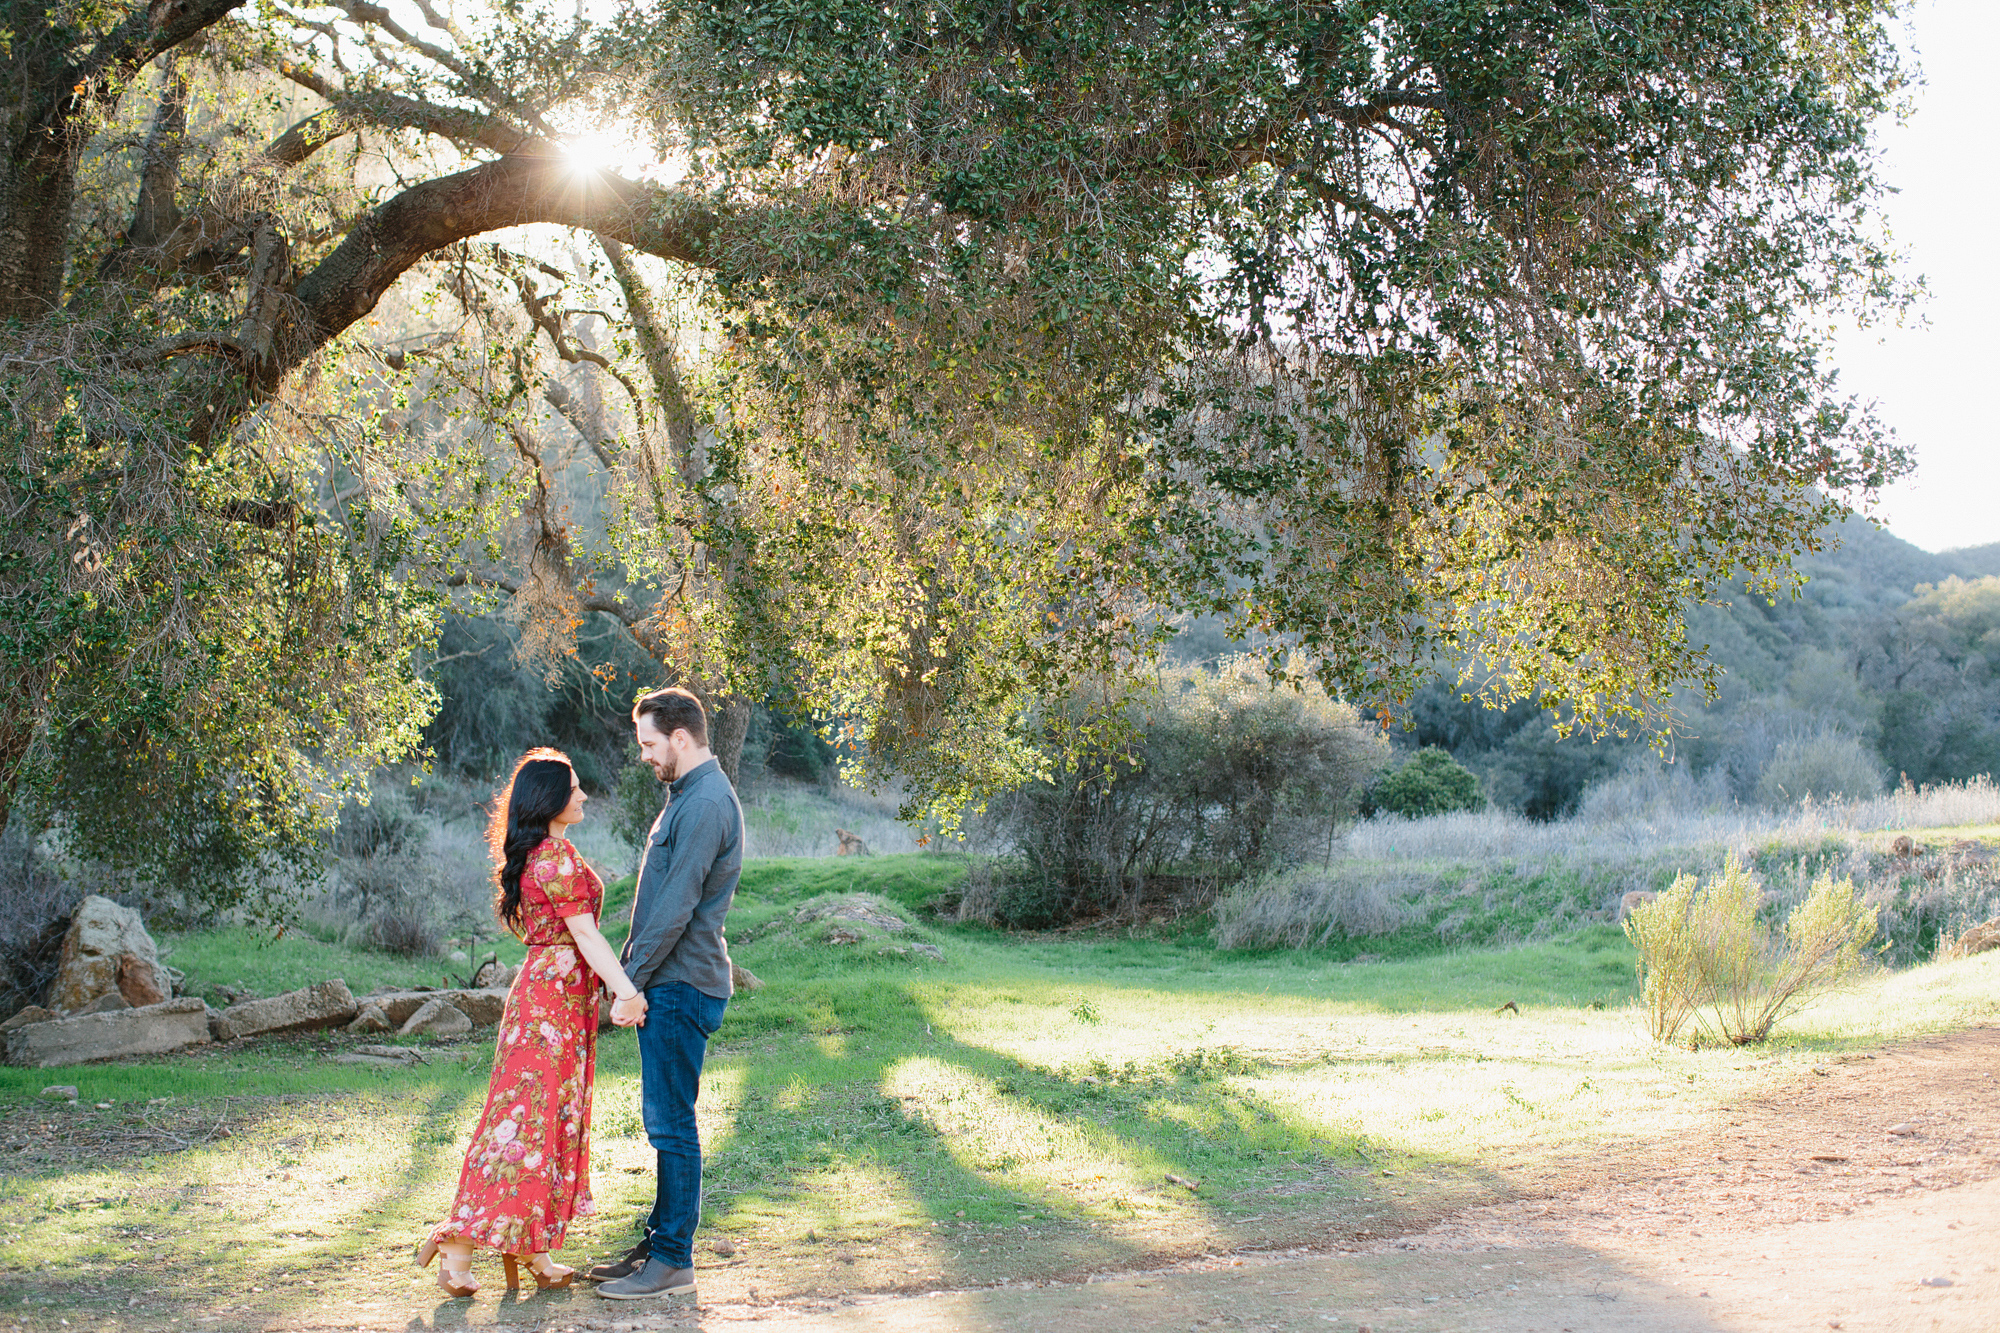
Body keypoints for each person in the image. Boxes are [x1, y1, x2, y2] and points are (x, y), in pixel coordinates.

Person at [414, 748, 648, 1297]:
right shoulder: (556, 858)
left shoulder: (547, 852)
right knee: (521, 1125)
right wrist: (627, 990)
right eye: (574, 787)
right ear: (549, 798)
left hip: (549, 1002)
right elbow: (586, 936)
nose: (584, 795)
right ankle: (458, 1242)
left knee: (543, 1122)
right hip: (549, 1008)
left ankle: (532, 1246)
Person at [592, 688, 744, 1301]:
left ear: (681, 738)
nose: (646, 757)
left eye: (651, 745)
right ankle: (658, 1244)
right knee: (665, 1124)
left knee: (672, 1126)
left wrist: (629, 981)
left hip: (681, 986)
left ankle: (675, 1260)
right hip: (671, 981)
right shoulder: (687, 797)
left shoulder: (706, 803)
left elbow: (677, 905)